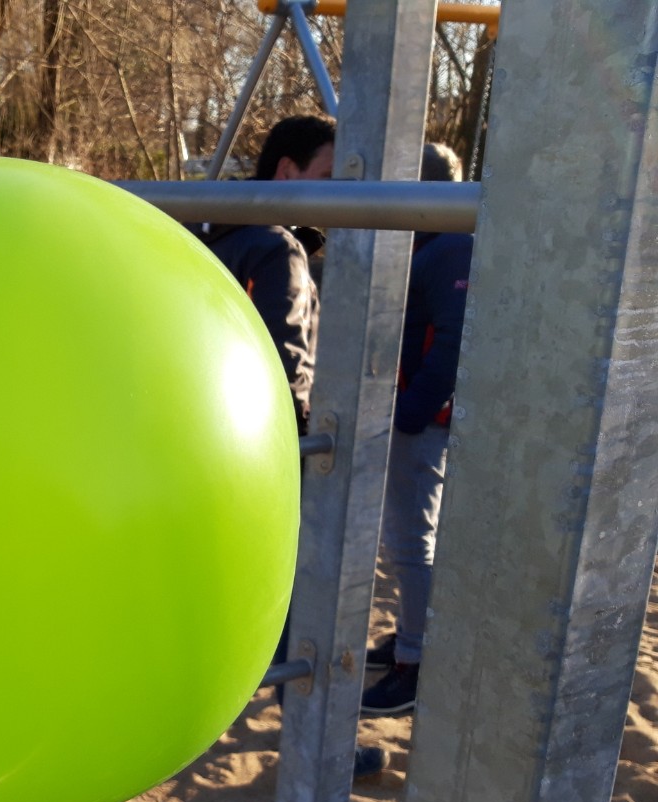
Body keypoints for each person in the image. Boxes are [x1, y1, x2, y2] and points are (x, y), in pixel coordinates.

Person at [359, 142, 473, 718]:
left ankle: (416, 662)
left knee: (412, 542)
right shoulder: (432, 243)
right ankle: (411, 638)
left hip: (423, 420)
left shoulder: (450, 246)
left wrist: (412, 411)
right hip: (414, 413)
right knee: (405, 540)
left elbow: (453, 341)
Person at [197, 114, 335, 435]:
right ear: (286, 170)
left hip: (197, 419)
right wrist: (297, 440)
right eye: (327, 177)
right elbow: (284, 364)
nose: (337, 193)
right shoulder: (277, 251)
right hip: (251, 434)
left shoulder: (203, 224)